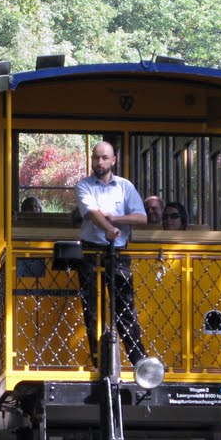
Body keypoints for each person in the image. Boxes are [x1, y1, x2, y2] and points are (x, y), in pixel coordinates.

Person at [76, 140, 148, 366]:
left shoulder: (125, 186)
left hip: (118, 252)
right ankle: (99, 360)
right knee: (92, 309)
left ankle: (139, 361)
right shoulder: (84, 185)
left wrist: (114, 220)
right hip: (90, 251)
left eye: (104, 157)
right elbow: (91, 213)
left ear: (113, 160)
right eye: (96, 158)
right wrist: (109, 228)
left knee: (125, 307)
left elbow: (142, 217)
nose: (100, 162)